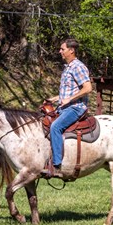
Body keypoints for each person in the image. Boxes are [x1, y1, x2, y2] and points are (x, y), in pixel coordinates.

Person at [45, 38, 94, 178]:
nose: (60, 51)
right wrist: (55, 99)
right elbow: (69, 92)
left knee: (55, 127)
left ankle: (57, 165)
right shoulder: (68, 68)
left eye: (62, 49)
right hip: (66, 106)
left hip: (76, 107)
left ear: (71, 50)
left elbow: (88, 88)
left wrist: (69, 99)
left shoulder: (78, 67)